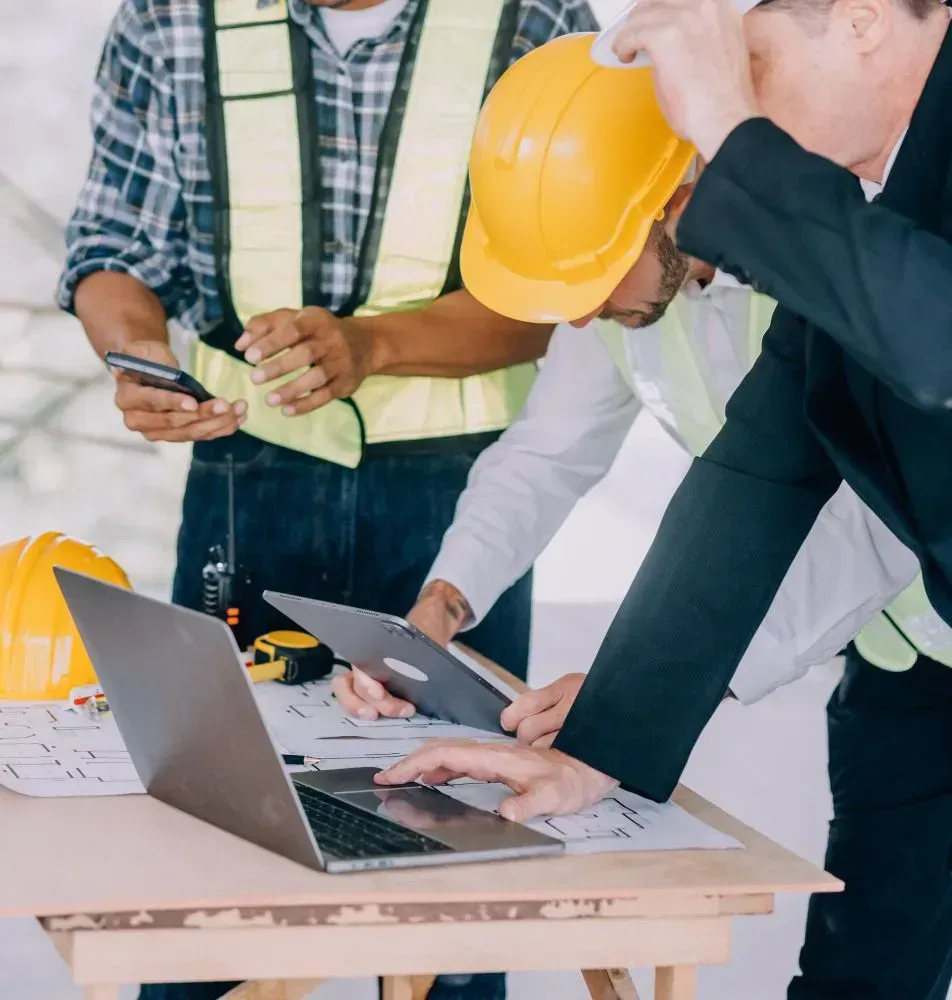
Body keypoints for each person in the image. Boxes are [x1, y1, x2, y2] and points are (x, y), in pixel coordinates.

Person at [372, 1, 952, 998]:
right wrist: (601, 746)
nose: (736, 107)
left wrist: (735, 132)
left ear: (858, 19)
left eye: (755, 62)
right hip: (915, 665)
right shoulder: (863, 200)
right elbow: (759, 471)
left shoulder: (811, 205)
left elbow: (935, 344)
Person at [59, 2, 599, 999]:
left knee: (459, 859)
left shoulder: (537, 21)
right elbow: (111, 241)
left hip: (458, 502)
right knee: (209, 853)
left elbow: (567, 283)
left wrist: (374, 344)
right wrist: (135, 356)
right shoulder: (171, 17)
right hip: (246, 484)